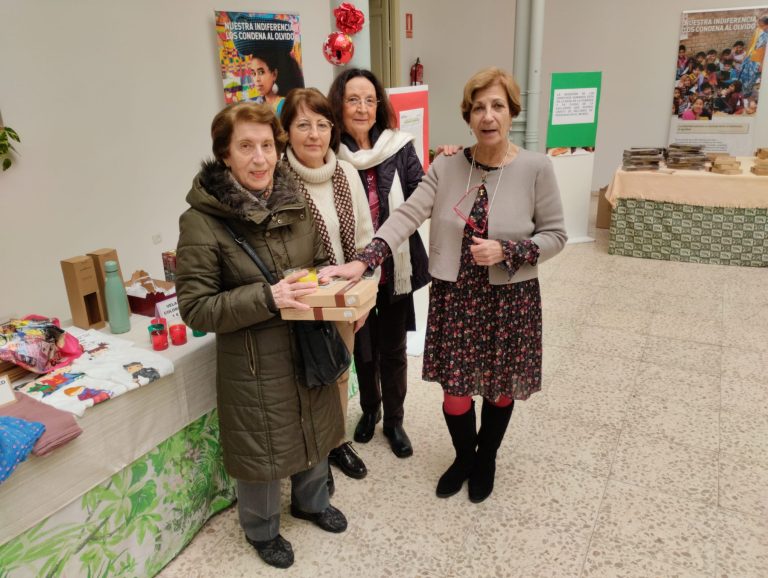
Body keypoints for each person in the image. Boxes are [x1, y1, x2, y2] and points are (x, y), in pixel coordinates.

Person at [321, 67, 567, 503]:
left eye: (497, 106)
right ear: (467, 117)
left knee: (499, 388)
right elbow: (406, 215)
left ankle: (486, 459)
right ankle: (464, 457)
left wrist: (508, 251)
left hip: (511, 298)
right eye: (478, 108)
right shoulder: (448, 166)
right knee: (455, 393)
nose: (488, 116)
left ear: (511, 112)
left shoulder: (536, 168)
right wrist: (366, 260)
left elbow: (556, 235)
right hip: (457, 298)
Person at [175, 101, 347, 569]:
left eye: (267, 146)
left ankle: (312, 502)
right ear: (224, 154)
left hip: (306, 341)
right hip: (252, 357)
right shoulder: (202, 221)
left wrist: (332, 286)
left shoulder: (294, 200)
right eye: (246, 147)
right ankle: (261, 528)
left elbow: (317, 263)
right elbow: (196, 308)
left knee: (314, 425)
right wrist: (267, 297)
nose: (260, 158)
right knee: (261, 444)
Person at [327, 69, 431, 459]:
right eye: (353, 99)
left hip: (394, 267)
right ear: (339, 105)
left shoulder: (398, 146)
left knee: (393, 348)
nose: (362, 108)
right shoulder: (330, 154)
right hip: (350, 269)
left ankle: (394, 421)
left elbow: (421, 196)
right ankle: (371, 409)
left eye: (369, 100)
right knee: (362, 348)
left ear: (379, 106)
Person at [280, 87, 376, 487]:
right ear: (286, 131)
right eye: (303, 125)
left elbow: (367, 241)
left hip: (342, 298)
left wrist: (362, 300)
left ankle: (335, 442)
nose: (314, 134)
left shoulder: (347, 174)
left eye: (322, 124)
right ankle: (311, 457)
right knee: (300, 382)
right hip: (296, 301)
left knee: (337, 373)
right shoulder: (276, 180)